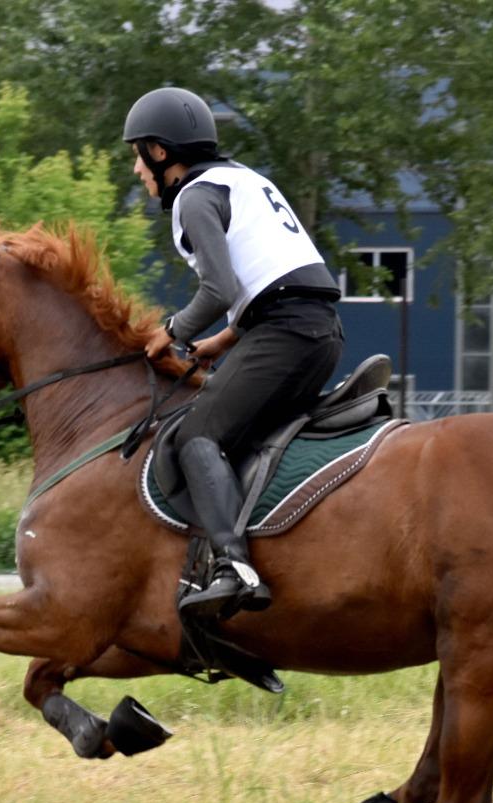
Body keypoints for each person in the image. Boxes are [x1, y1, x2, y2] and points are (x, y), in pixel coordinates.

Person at [124, 86, 345, 623]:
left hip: (285, 334)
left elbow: (219, 290)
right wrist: (222, 341)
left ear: (160, 152)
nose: (136, 170)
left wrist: (172, 330)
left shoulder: (194, 197)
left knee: (197, 435)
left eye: (138, 155)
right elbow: (270, 280)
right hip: (318, 331)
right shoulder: (244, 179)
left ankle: (233, 566)